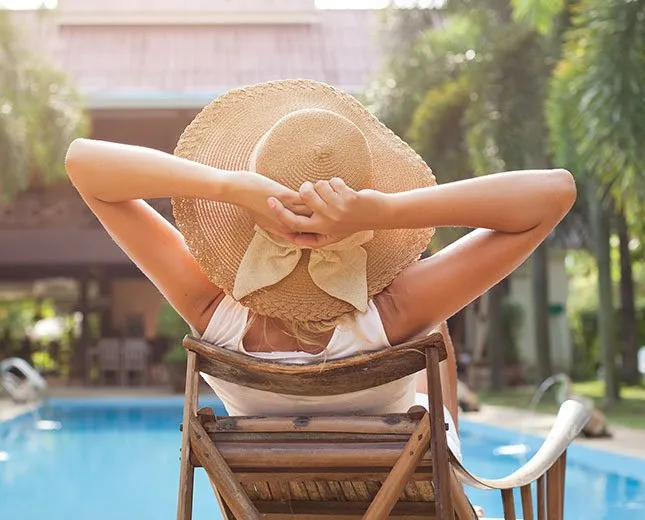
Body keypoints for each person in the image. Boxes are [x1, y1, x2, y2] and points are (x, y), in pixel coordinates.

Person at [65, 79, 575, 465]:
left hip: (267, 505)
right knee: (433, 338)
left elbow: (83, 162)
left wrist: (229, 187)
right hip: (402, 500)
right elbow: (554, 193)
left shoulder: (211, 309)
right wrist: (384, 211)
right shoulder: (395, 314)